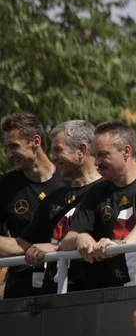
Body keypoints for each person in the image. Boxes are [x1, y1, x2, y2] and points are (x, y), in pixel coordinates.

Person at [61, 121, 136, 287]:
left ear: (126, 151)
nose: (97, 162)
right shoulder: (95, 193)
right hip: (115, 293)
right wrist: (81, 238)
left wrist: (121, 245)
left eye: (103, 155)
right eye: (95, 155)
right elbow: (68, 239)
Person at [2, 121, 103, 293]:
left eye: (58, 150)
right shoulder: (53, 200)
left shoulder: (109, 191)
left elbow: (112, 240)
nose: (54, 157)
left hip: (96, 292)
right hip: (53, 295)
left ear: (82, 150)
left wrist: (57, 249)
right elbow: (24, 245)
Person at [0, 113, 65, 298]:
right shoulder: (5, 186)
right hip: (20, 286)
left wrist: (55, 248)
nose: (9, 154)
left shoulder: (69, 181)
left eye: (14, 146)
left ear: (35, 141)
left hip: (65, 281)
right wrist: (33, 249)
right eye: (7, 148)